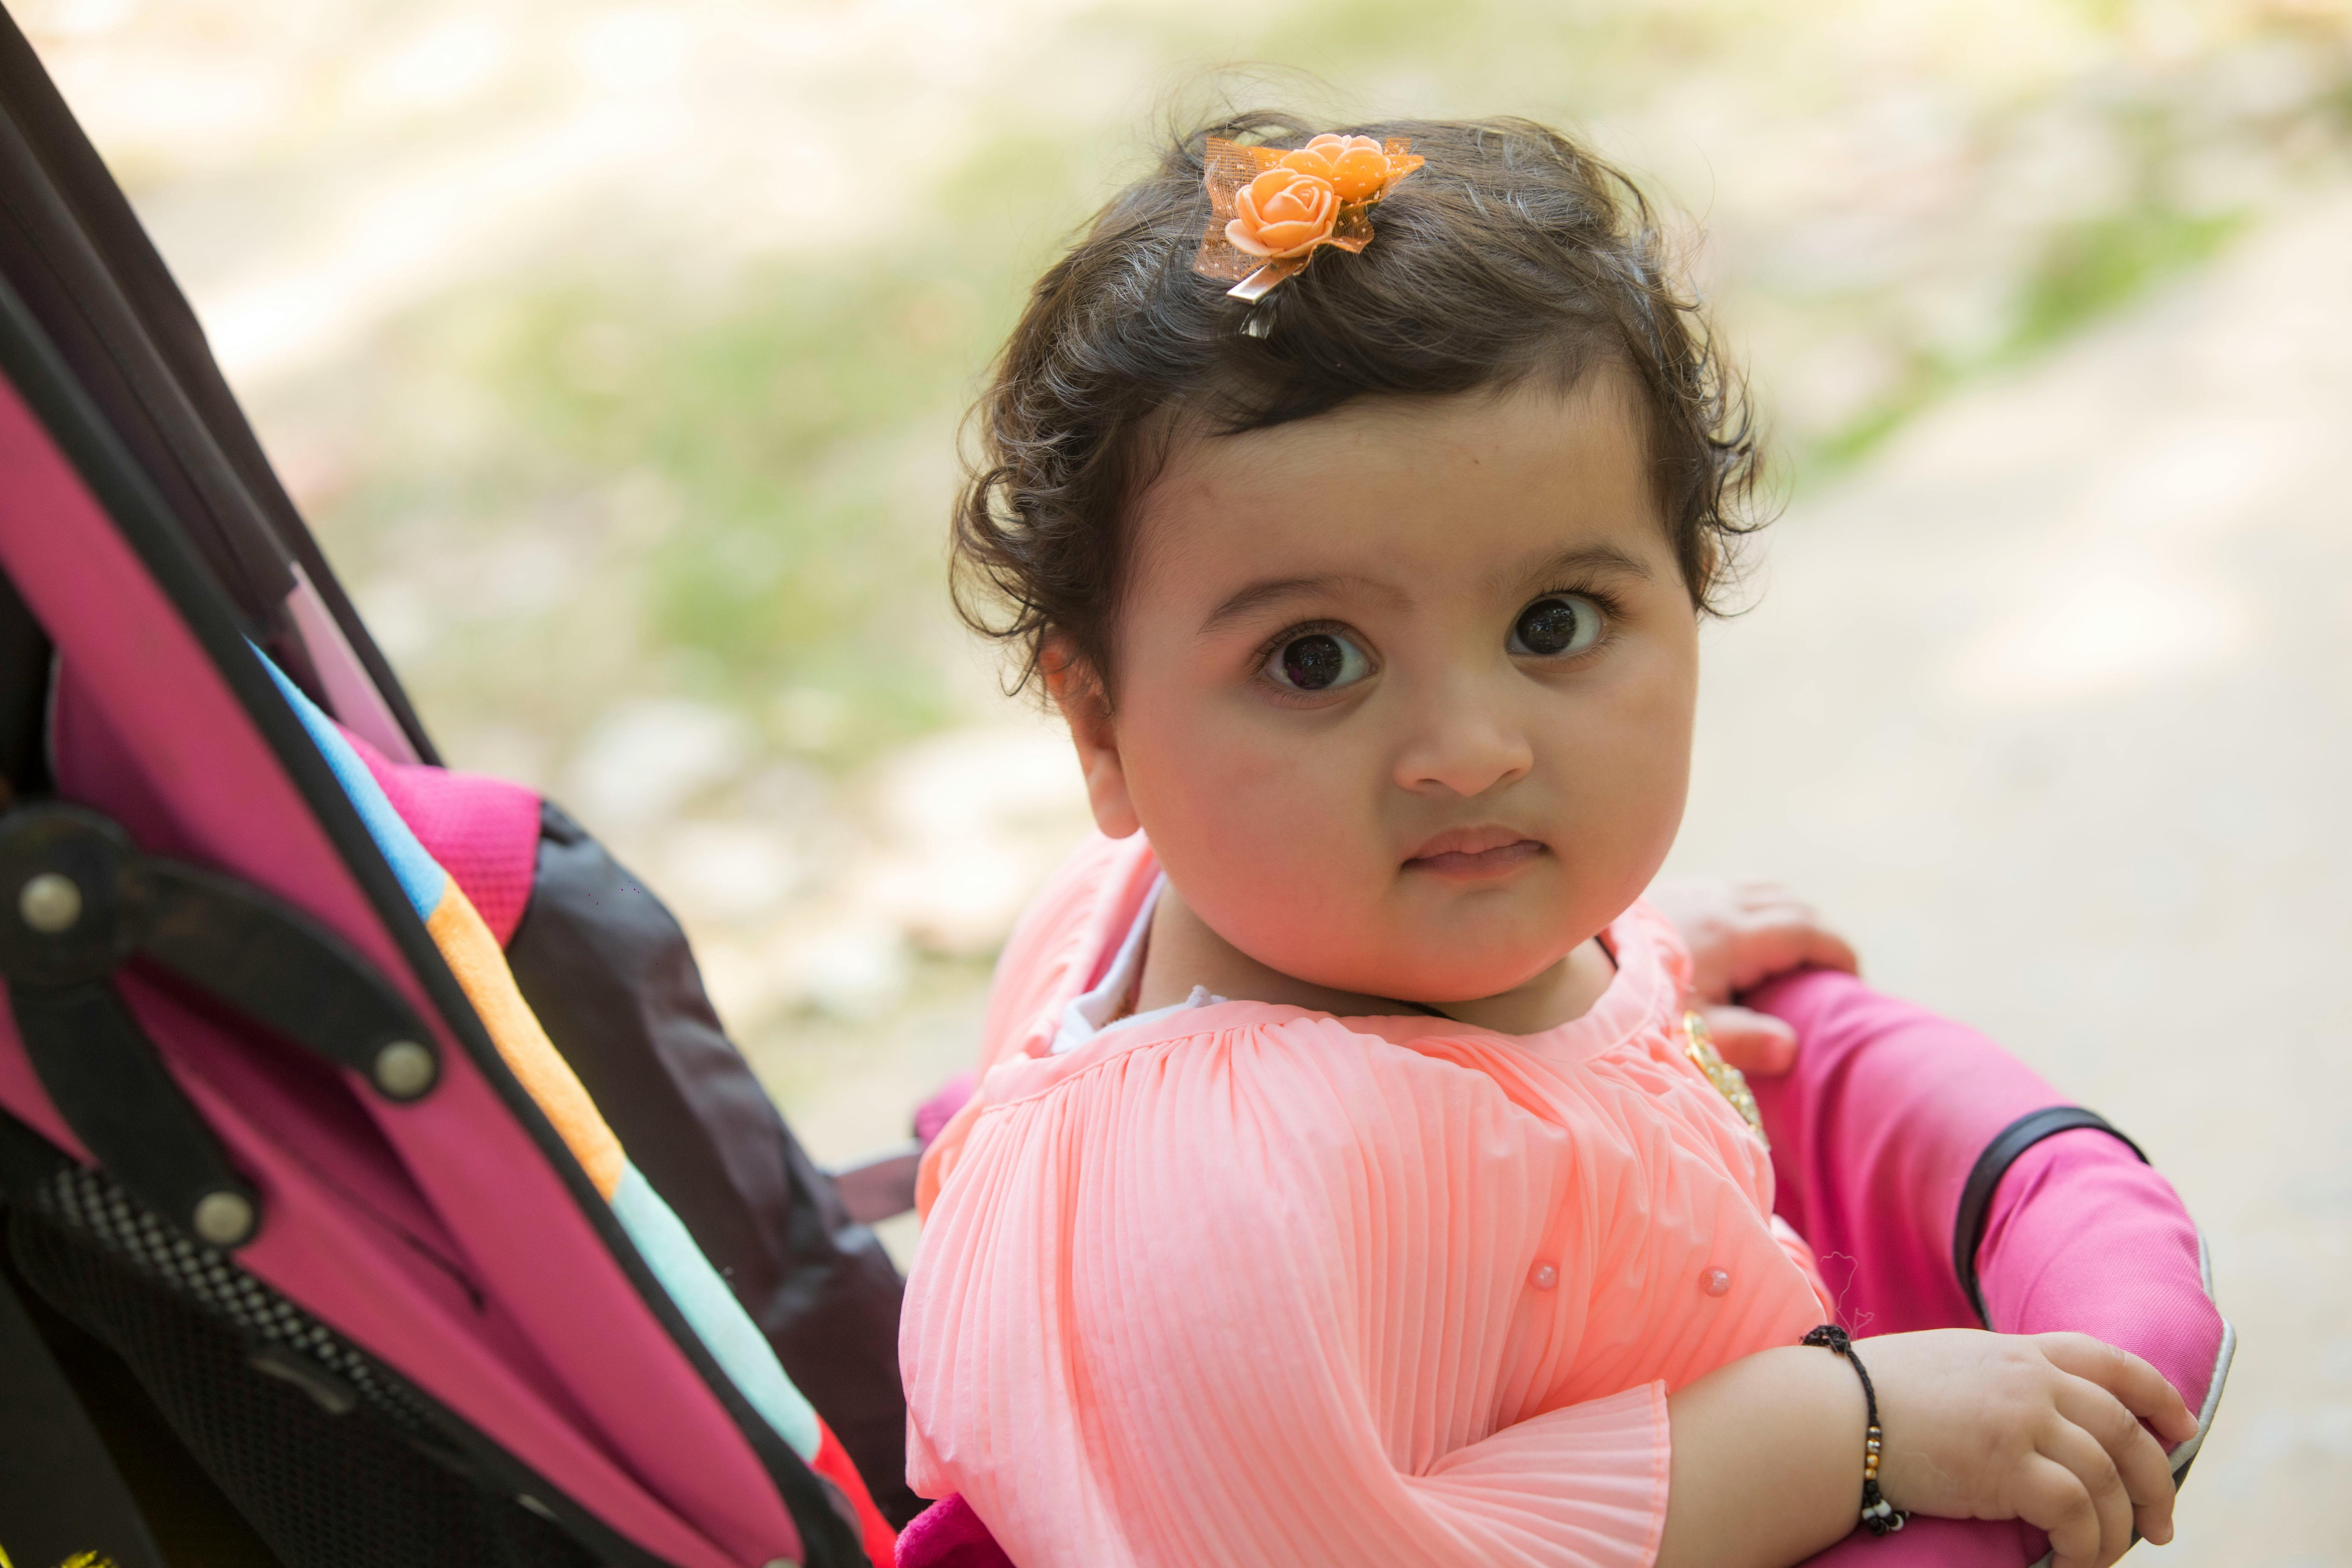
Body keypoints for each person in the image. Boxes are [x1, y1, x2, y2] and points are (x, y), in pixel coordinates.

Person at [900, 114, 2210, 1568]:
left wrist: (1626, 972)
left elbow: (1456, 1062)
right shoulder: (1218, 1220)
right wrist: (1859, 1426)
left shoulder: (1207, 900)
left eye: (1553, 624)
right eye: (1315, 659)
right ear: (1101, 726)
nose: (1471, 750)